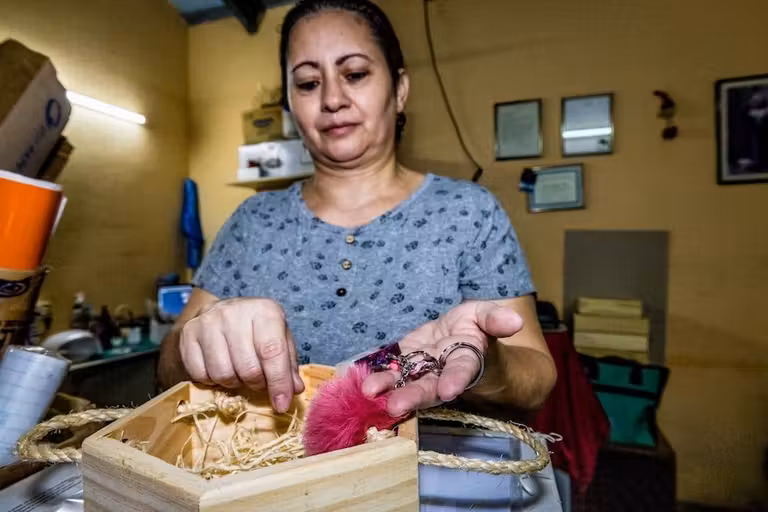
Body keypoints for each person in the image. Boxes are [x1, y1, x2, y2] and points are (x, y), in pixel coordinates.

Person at [158, 0, 556, 420]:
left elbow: (536, 379)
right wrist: (195, 344)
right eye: (308, 83)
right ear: (290, 105)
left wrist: (485, 363)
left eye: (355, 74)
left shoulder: (468, 211)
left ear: (399, 89)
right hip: (279, 460)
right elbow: (167, 369)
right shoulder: (254, 221)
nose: (332, 99)